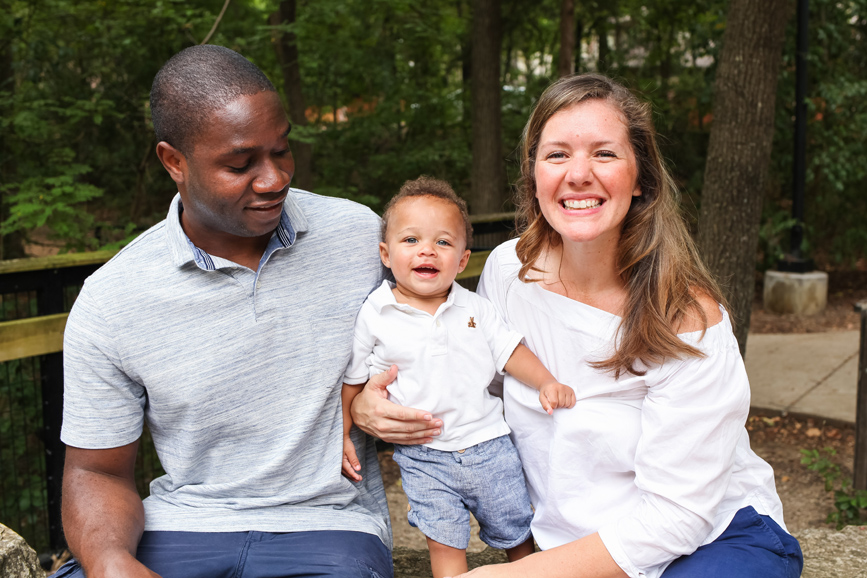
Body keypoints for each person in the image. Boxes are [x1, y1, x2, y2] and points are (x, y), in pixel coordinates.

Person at [352, 74, 804, 578]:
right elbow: (477, 384)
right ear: (534, 177)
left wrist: (502, 575)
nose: (579, 174)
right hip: (569, 547)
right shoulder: (508, 270)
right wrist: (371, 407)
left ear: (641, 180)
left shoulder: (687, 318)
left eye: (605, 154)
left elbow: (678, 515)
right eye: (557, 154)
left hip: (710, 540)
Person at [56, 45, 438, 578]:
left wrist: (373, 400)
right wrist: (110, 562)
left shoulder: (358, 237)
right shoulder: (111, 299)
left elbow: (448, 341)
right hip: (178, 528)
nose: (274, 178)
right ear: (174, 162)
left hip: (327, 530)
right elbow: (96, 472)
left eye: (281, 151)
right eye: (241, 164)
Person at [340, 177, 575, 578]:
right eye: (410, 240)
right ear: (385, 253)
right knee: (444, 539)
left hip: (489, 446)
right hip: (423, 454)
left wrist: (547, 381)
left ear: (463, 260)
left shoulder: (475, 308)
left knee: (515, 530)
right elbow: (354, 380)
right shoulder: (375, 312)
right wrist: (344, 433)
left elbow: (511, 351)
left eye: (443, 243)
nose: (427, 250)